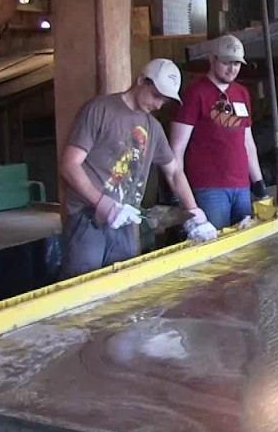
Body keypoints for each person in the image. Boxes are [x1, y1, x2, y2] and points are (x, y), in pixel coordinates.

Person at [59, 58, 210, 279]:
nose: (159, 105)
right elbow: (70, 165)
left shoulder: (154, 128)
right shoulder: (100, 110)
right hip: (87, 219)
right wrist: (103, 204)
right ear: (141, 80)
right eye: (156, 95)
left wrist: (194, 212)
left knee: (123, 285)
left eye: (164, 100)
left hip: (126, 221)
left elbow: (174, 172)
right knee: (82, 286)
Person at [170, 34, 270, 235]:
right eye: (226, 62)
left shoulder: (242, 93)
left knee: (247, 243)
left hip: (241, 186)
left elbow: (247, 142)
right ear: (211, 58)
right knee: (212, 243)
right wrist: (178, 192)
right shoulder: (194, 93)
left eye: (237, 63)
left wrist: (258, 183)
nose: (232, 69)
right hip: (209, 188)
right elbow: (177, 147)